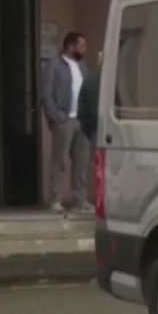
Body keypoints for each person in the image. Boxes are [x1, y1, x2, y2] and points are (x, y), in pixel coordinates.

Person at [42, 31, 93, 214]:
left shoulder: (82, 66)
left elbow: (87, 89)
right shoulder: (53, 65)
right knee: (59, 161)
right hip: (64, 120)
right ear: (70, 46)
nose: (84, 49)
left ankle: (80, 200)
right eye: (81, 45)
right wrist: (55, 116)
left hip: (81, 120)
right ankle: (55, 199)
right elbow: (46, 93)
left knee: (82, 161)